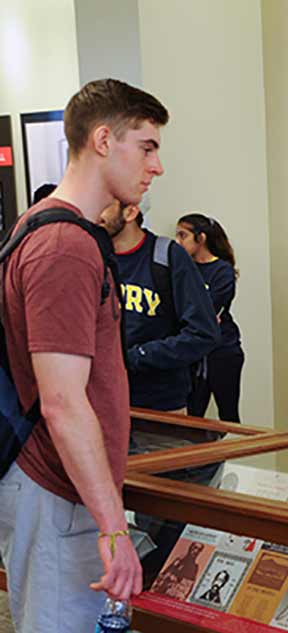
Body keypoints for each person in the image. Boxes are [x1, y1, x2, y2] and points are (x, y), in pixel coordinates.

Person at [0, 78, 167, 631]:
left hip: (60, 492)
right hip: (56, 491)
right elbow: (63, 402)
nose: (156, 166)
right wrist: (113, 527)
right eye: (146, 146)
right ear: (102, 140)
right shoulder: (64, 246)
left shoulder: (50, 231)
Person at [98, 199, 219, 413]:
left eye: (104, 204)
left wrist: (136, 357)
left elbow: (203, 332)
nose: (95, 212)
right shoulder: (92, 258)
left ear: (131, 212)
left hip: (160, 406)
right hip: (103, 404)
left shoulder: (167, 256)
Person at [176, 213, 244, 422]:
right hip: (193, 353)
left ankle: (226, 454)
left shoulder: (221, 270)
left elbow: (205, 311)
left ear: (201, 238)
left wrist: (193, 314)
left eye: (183, 235)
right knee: (192, 415)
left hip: (222, 351)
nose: (178, 242)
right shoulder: (183, 268)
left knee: (228, 414)